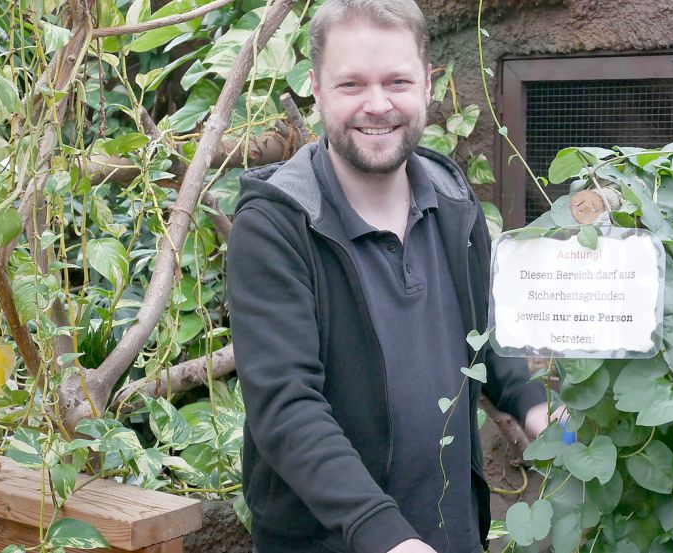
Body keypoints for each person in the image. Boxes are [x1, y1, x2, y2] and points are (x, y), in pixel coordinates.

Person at [227, 1, 549, 552]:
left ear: (427, 83)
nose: (377, 105)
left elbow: (486, 337)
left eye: (397, 81)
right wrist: (386, 536)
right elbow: (286, 406)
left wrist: (545, 414)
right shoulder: (275, 227)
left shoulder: (453, 202)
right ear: (316, 88)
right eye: (351, 84)